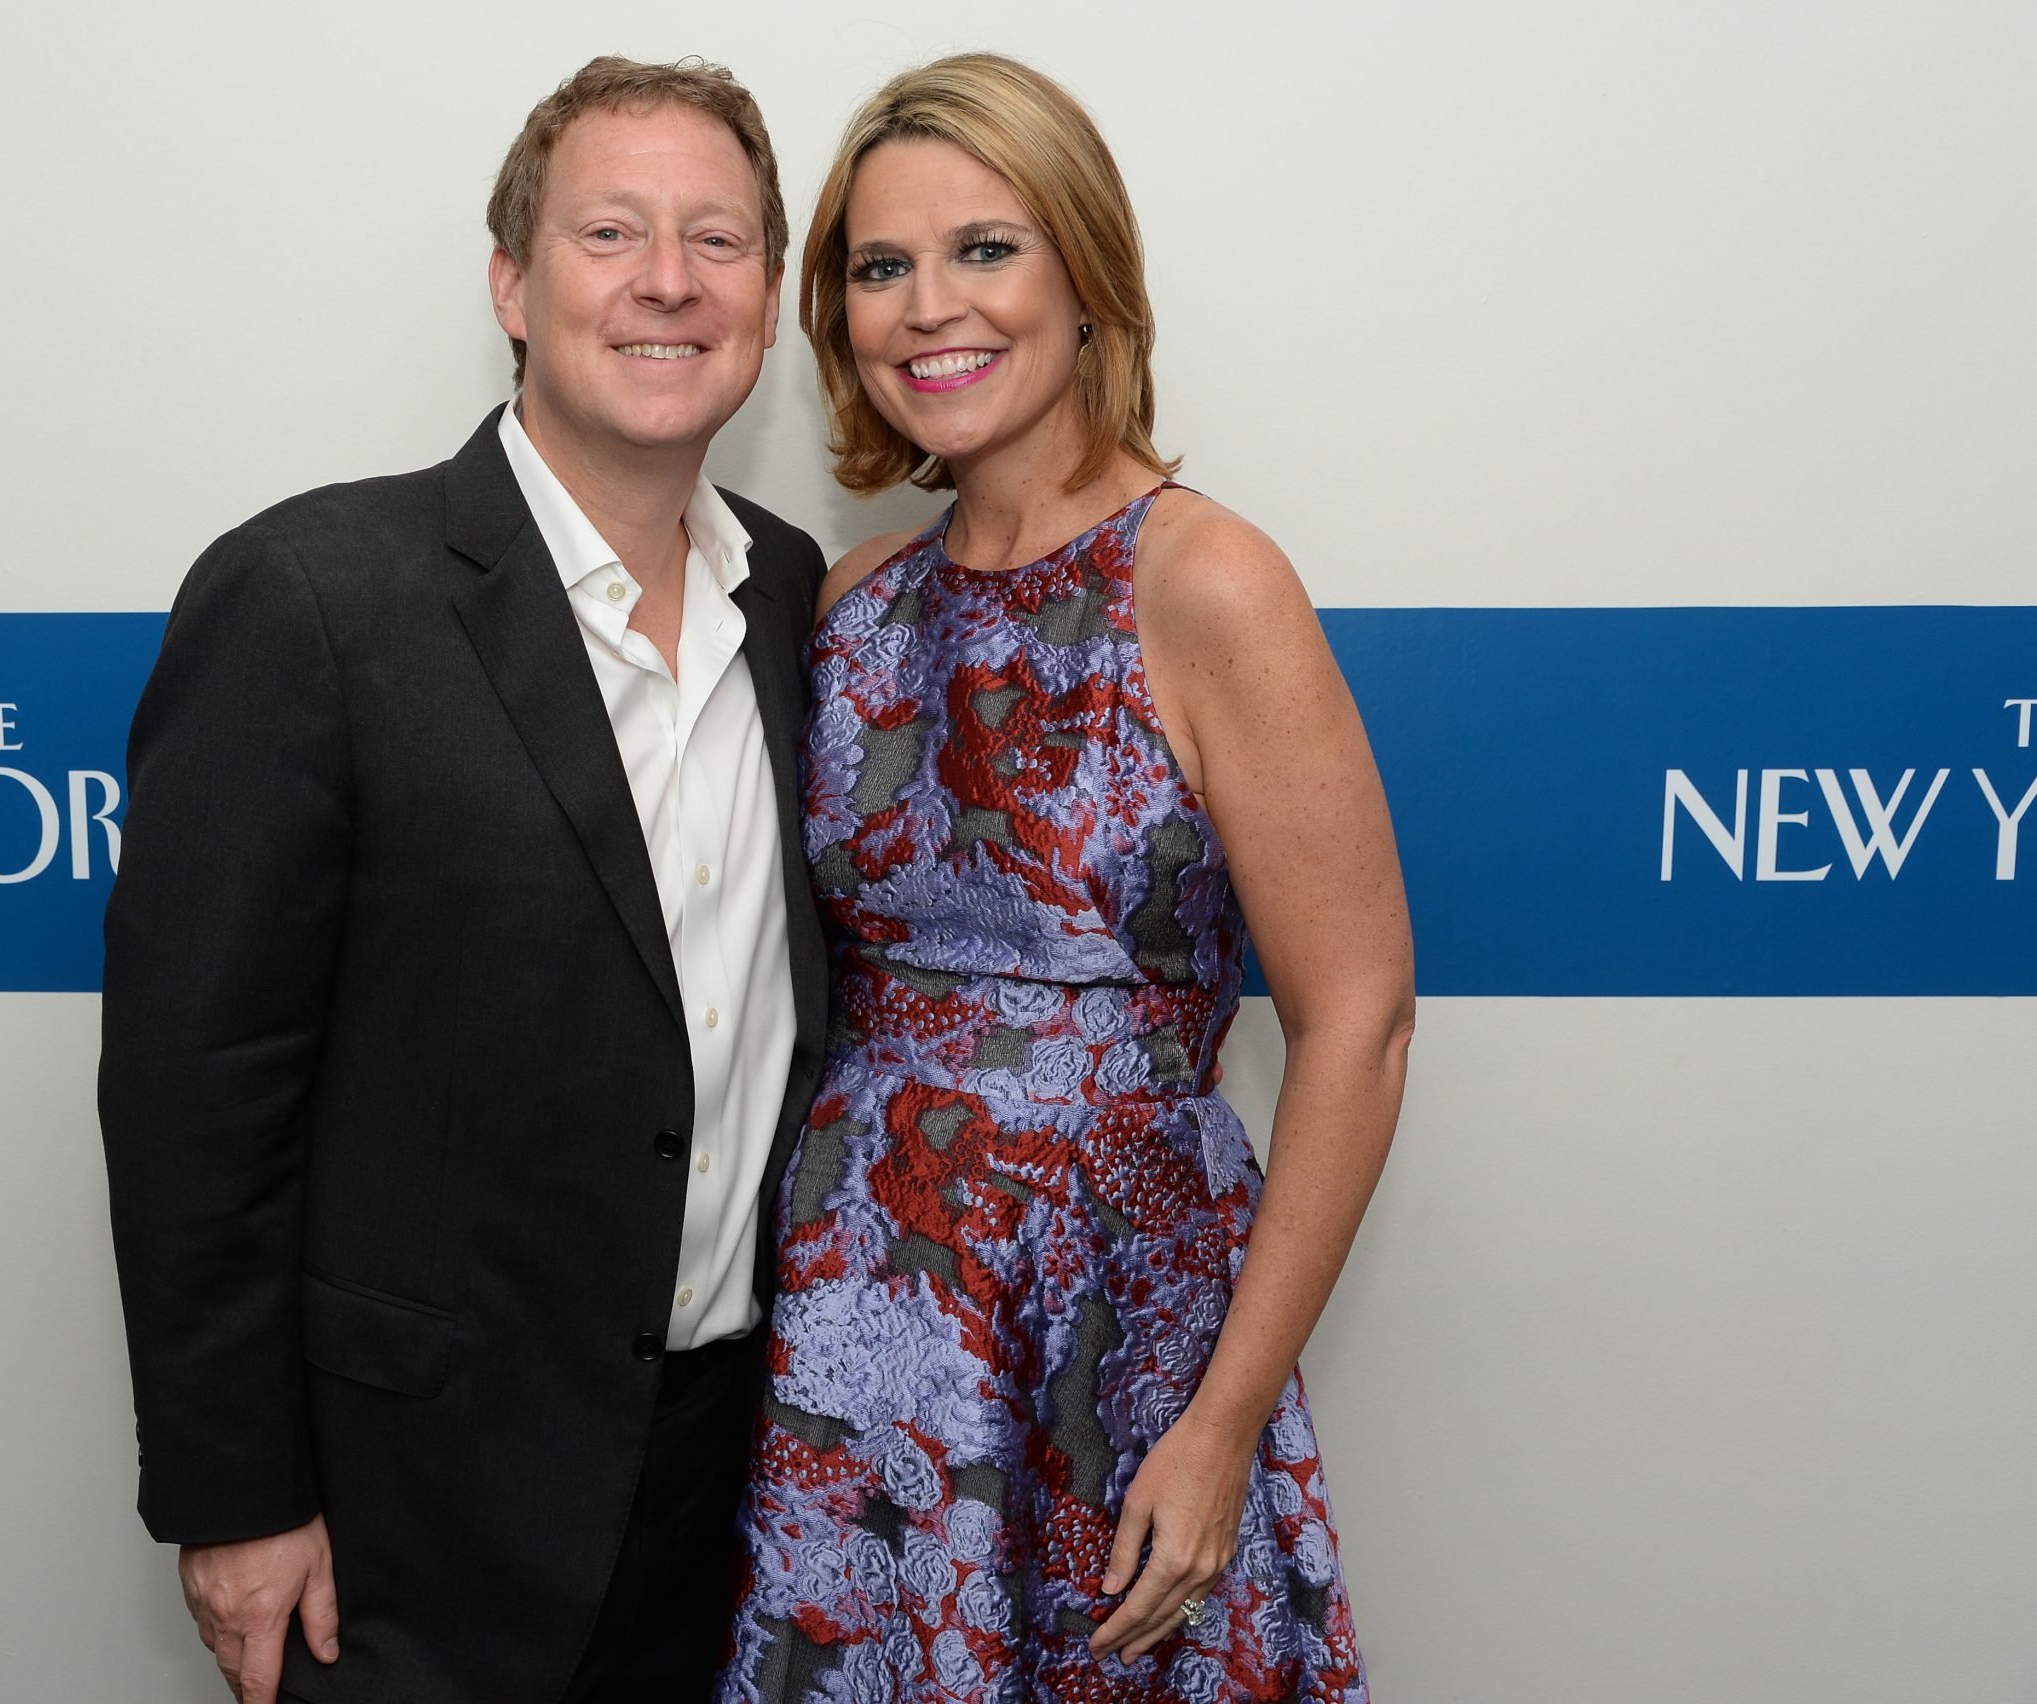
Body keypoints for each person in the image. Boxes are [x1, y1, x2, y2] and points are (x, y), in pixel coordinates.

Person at [98, 55, 829, 1704]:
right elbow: (192, 1097)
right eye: (612, 233)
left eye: (718, 241)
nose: (667, 281)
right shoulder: (309, 598)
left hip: (738, 1485)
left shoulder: (794, 598)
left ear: (769, 303)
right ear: (512, 283)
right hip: (409, 1521)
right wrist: (238, 1496)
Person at [716, 54, 1412, 1703]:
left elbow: (1359, 1020)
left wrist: (1226, 1419)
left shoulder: (1208, 579)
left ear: (1087, 273)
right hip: (859, 1352)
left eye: (984, 249)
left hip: (1125, 1338)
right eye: (879, 268)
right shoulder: (855, 605)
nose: (927, 308)